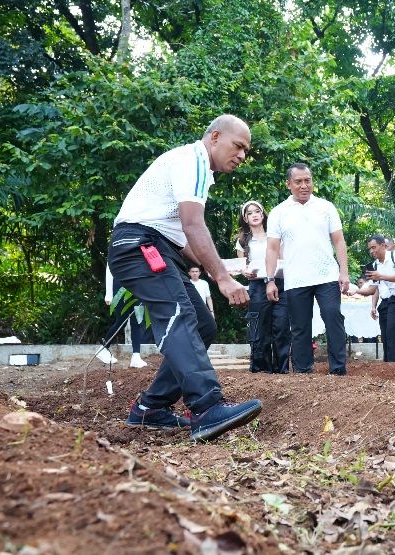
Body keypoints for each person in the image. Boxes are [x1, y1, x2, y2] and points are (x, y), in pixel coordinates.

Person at [109, 114, 262, 442]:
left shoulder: (198, 170)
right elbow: (193, 225)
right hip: (139, 244)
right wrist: (222, 278)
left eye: (247, 151)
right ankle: (206, 408)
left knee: (203, 325)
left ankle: (150, 409)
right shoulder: (192, 159)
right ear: (216, 137)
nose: (242, 156)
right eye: (238, 146)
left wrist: (221, 268)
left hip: (155, 245)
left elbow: (184, 240)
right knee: (179, 315)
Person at [265, 163, 349, 375]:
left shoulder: (326, 207)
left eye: (307, 180)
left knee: (333, 317)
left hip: (327, 275)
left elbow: (339, 241)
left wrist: (344, 272)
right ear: (288, 184)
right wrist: (270, 280)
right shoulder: (278, 212)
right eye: (298, 182)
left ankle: (338, 370)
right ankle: (303, 372)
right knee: (300, 327)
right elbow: (272, 248)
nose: (304, 185)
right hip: (296, 278)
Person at [236, 201, 291, 373]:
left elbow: (283, 261)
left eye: (257, 211)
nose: (254, 214)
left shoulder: (274, 236)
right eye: (250, 212)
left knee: (281, 326)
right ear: (245, 218)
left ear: (263, 214)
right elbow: (241, 265)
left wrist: (272, 275)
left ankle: (282, 368)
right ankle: (261, 369)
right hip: (256, 285)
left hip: (279, 283)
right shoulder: (242, 241)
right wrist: (245, 272)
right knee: (260, 327)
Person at [96, 264, 149, 368]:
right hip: (121, 285)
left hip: (138, 286)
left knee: (137, 321)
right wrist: (109, 293)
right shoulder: (116, 247)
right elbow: (109, 266)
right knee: (121, 320)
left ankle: (136, 356)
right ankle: (103, 349)